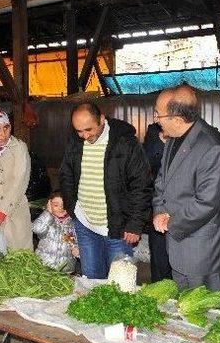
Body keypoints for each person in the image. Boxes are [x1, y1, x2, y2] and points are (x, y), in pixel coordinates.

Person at [152, 86, 220, 290]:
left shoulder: (212, 147)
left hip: (200, 248)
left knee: (204, 309)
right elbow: (162, 180)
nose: (155, 119)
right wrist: (160, 210)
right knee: (183, 309)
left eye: (158, 114)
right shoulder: (175, 137)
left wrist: (172, 223)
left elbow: (207, 202)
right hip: (178, 243)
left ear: (177, 119)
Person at [59, 102, 152, 279]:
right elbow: (66, 174)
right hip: (85, 224)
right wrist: (73, 209)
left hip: (119, 228)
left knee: (119, 283)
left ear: (101, 119)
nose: (85, 136)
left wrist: (135, 224)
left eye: (88, 129)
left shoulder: (125, 142)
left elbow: (142, 185)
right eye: (79, 131)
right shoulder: (76, 142)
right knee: (91, 280)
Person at [0, 110, 33, 251]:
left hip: (14, 212)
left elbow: (20, 181)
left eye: (6, 128)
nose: (3, 134)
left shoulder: (19, 148)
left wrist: (2, 211)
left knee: (20, 260)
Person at [142, 122, 172, 282]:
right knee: (160, 257)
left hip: (184, 209)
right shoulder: (154, 132)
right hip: (159, 205)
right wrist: (161, 142)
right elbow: (146, 165)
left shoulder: (191, 133)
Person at [32, 190, 77, 273]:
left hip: (65, 269)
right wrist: (47, 213)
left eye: (64, 205)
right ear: (49, 205)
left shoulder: (73, 224)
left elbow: (74, 242)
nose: (60, 208)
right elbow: (37, 228)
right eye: (56, 205)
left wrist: (76, 250)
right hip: (44, 266)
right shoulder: (47, 221)